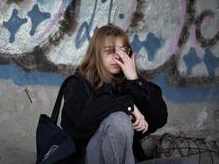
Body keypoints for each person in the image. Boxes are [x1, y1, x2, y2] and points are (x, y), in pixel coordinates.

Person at [60, 24, 197, 164]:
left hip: (130, 160)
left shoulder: (127, 84)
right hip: (90, 158)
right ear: (96, 53)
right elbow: (77, 123)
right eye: (109, 51)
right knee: (119, 120)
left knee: (187, 163)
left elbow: (159, 118)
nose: (117, 57)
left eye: (123, 51)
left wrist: (134, 80)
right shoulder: (78, 83)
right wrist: (125, 105)